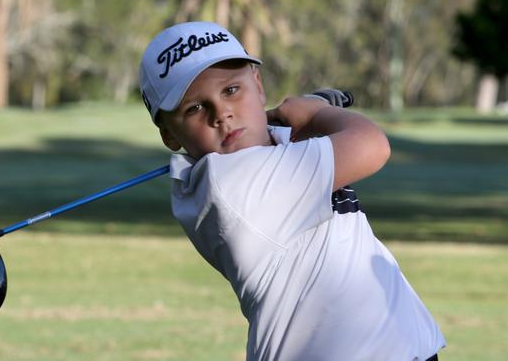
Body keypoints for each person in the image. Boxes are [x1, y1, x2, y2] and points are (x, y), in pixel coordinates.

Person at [139, 21, 445, 361]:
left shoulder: (253, 161)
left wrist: (294, 123)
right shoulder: (234, 182)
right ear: (169, 136)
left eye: (231, 91)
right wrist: (316, 112)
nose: (222, 113)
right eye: (194, 109)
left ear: (258, 85)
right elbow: (372, 146)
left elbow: (283, 147)